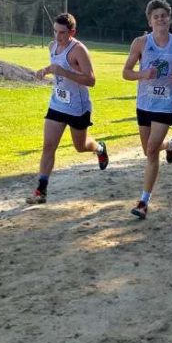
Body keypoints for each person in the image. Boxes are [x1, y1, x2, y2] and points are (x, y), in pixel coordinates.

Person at [122, 0, 172, 219]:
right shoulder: (140, 43)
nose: (161, 19)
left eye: (164, 15)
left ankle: (144, 201)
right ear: (150, 20)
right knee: (149, 150)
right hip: (144, 103)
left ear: (170, 18)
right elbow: (126, 72)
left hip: (165, 104)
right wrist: (141, 74)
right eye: (156, 16)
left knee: (152, 151)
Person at [27, 13, 108, 204]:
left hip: (77, 107)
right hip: (57, 103)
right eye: (55, 31)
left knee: (80, 146)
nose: (57, 36)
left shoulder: (79, 50)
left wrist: (64, 72)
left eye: (62, 33)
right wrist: (45, 71)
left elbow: (91, 80)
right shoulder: (52, 46)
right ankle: (41, 191)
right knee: (48, 146)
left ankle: (99, 148)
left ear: (72, 32)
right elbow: (56, 66)